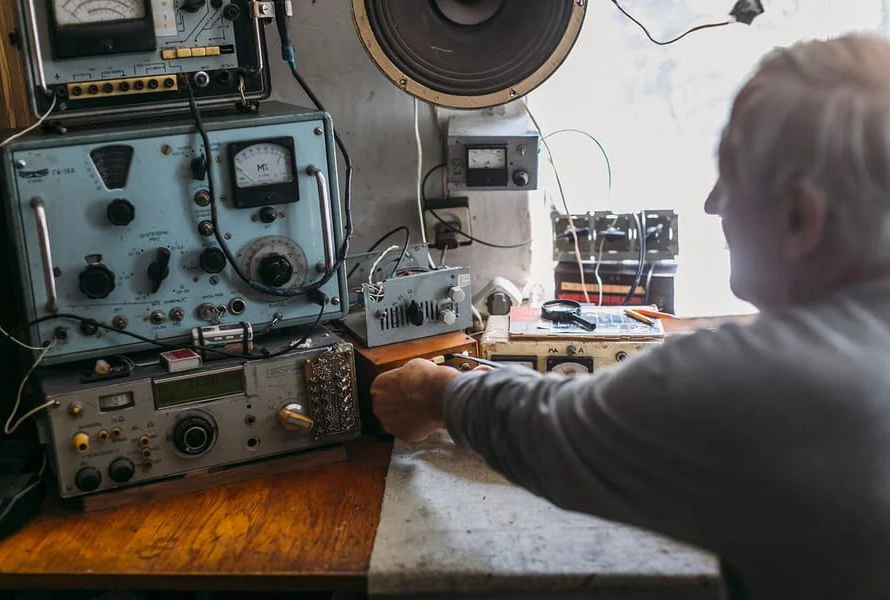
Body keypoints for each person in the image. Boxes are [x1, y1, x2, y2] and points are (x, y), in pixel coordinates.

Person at [370, 34, 890, 600]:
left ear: (799, 215)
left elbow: (547, 432)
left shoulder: (772, 382)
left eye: (731, 176)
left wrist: (435, 391)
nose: (713, 203)